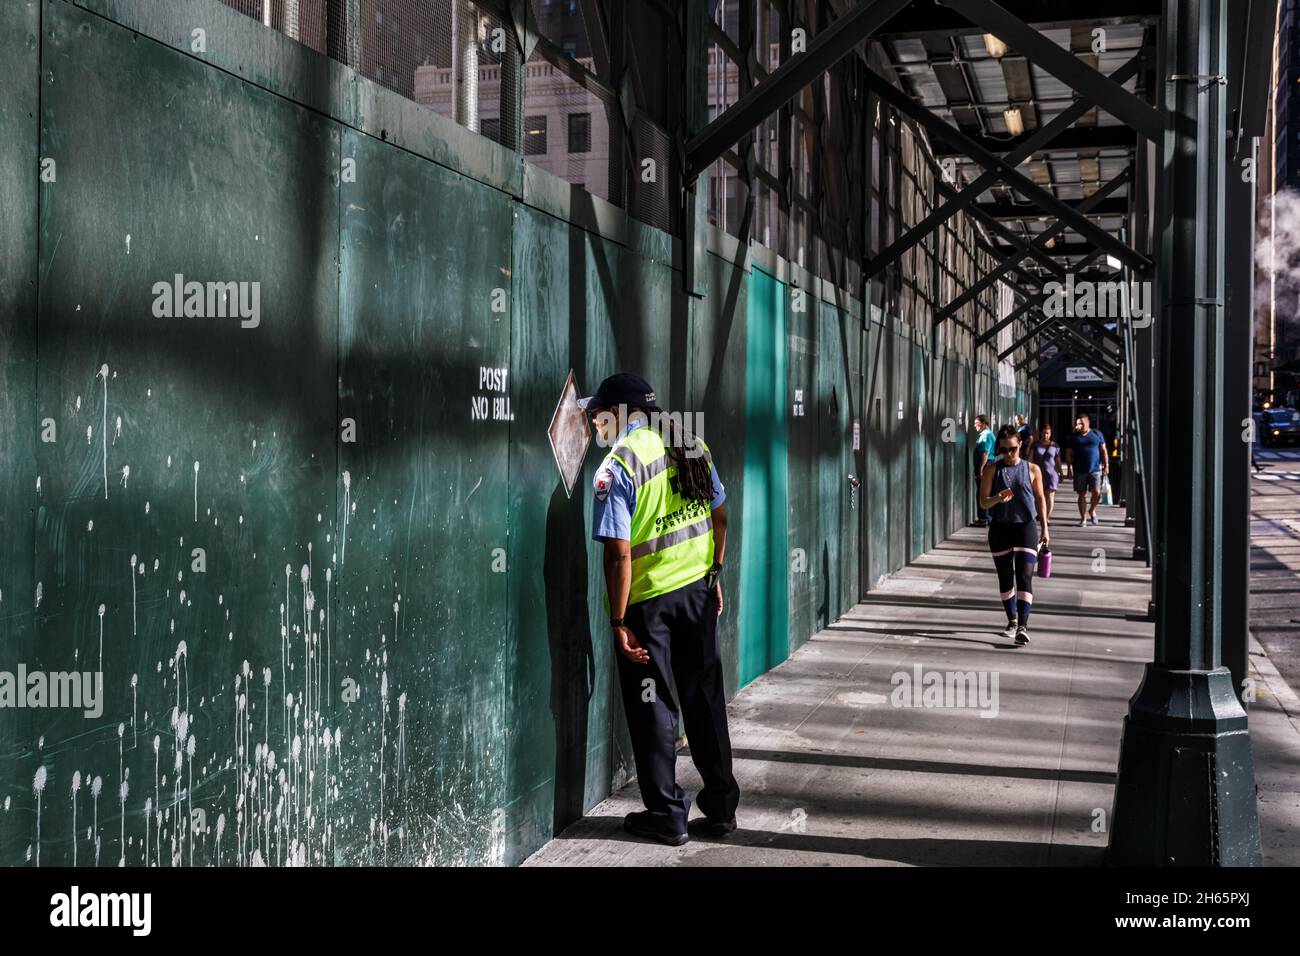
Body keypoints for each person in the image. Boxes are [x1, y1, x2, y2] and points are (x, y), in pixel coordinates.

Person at [582, 372, 740, 846]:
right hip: (695, 594)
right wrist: (713, 573)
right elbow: (720, 516)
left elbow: (619, 554)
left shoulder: (620, 462)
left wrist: (617, 620)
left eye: (601, 414)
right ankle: (721, 807)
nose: (596, 422)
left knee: (653, 704)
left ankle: (669, 814)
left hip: (649, 606)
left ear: (622, 413)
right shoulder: (692, 444)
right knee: (704, 697)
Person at [978, 425, 1050, 645]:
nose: (1008, 454)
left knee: (1024, 576)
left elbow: (1040, 499)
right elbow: (983, 502)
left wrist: (1045, 527)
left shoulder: (1032, 469)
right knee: (1006, 578)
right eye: (1004, 450)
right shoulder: (992, 469)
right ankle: (1011, 619)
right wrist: (998, 498)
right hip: (1000, 529)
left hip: (1025, 528)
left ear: (1020, 446)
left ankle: (1023, 626)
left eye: (1012, 449)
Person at [1064, 413, 1108, 526]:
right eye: (1078, 423)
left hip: (1095, 469)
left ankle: (1092, 510)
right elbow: (1068, 453)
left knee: (1097, 493)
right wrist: (1069, 468)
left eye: (1082, 423)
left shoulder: (1097, 434)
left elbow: (1103, 450)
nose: (1080, 425)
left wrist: (1106, 465)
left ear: (1088, 422)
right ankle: (1083, 518)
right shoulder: (1073, 437)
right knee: (1081, 494)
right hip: (1079, 469)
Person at [1029, 422, 1062, 523]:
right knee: (1038, 495)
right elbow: (1030, 459)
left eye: (1047, 433)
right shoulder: (1035, 445)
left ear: (1050, 433)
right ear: (1040, 433)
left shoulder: (1055, 446)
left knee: (1050, 495)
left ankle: (1046, 517)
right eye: (1044, 433)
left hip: (1052, 475)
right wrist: (1029, 471)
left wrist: (1061, 472)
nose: (1045, 435)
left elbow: (1058, 460)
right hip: (1038, 474)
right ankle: (1040, 513)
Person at [972, 415, 996, 526]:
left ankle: (983, 519)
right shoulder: (987, 434)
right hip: (987, 464)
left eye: (977, 423)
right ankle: (986, 518)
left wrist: (981, 469)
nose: (974, 425)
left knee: (982, 493)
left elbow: (985, 453)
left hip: (985, 465)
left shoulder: (986, 435)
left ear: (983, 423)